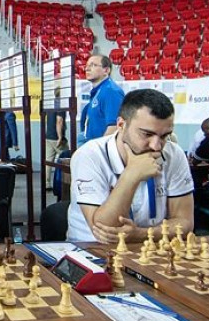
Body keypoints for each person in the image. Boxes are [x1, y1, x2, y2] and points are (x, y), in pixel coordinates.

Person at [67, 89, 194, 243]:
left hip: (150, 248)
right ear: (121, 125)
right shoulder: (88, 155)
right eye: (147, 134)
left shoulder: (174, 154)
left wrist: (140, 234)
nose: (156, 146)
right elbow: (105, 229)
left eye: (164, 136)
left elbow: (185, 222)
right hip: (92, 250)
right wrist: (131, 175)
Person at [78, 54, 125, 147]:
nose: (87, 69)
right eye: (87, 66)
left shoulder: (111, 91)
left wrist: (99, 152)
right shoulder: (98, 91)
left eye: (93, 65)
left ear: (106, 70)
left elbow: (114, 127)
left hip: (101, 153)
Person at [45, 106, 67, 191]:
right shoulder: (61, 105)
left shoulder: (50, 105)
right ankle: (67, 183)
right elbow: (59, 121)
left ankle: (46, 183)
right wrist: (60, 137)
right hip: (56, 138)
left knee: (48, 161)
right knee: (68, 158)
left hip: (49, 136)